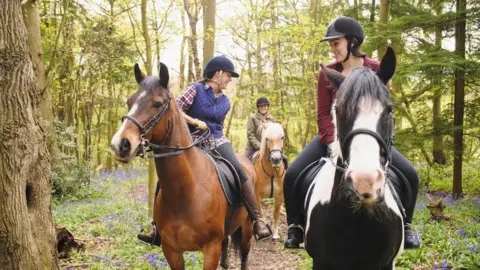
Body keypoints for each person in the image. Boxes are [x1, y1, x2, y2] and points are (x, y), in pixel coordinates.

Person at [283, 16, 420, 250]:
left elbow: (383, 109)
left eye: (336, 43)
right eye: (331, 44)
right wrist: (332, 142)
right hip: (335, 138)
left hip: (369, 138)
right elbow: (323, 113)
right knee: (292, 174)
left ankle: (406, 227)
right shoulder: (328, 72)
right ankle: (295, 227)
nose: (332, 48)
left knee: (410, 174)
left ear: (353, 43)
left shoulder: (376, 69)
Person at [137, 56, 272, 246]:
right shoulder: (195, 89)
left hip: (217, 139)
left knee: (240, 171)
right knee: (167, 176)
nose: (229, 79)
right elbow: (175, 108)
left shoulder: (225, 101)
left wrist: (217, 138)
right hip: (190, 139)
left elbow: (219, 126)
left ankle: (257, 219)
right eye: (228, 75)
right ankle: (157, 228)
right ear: (217, 74)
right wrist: (193, 121)